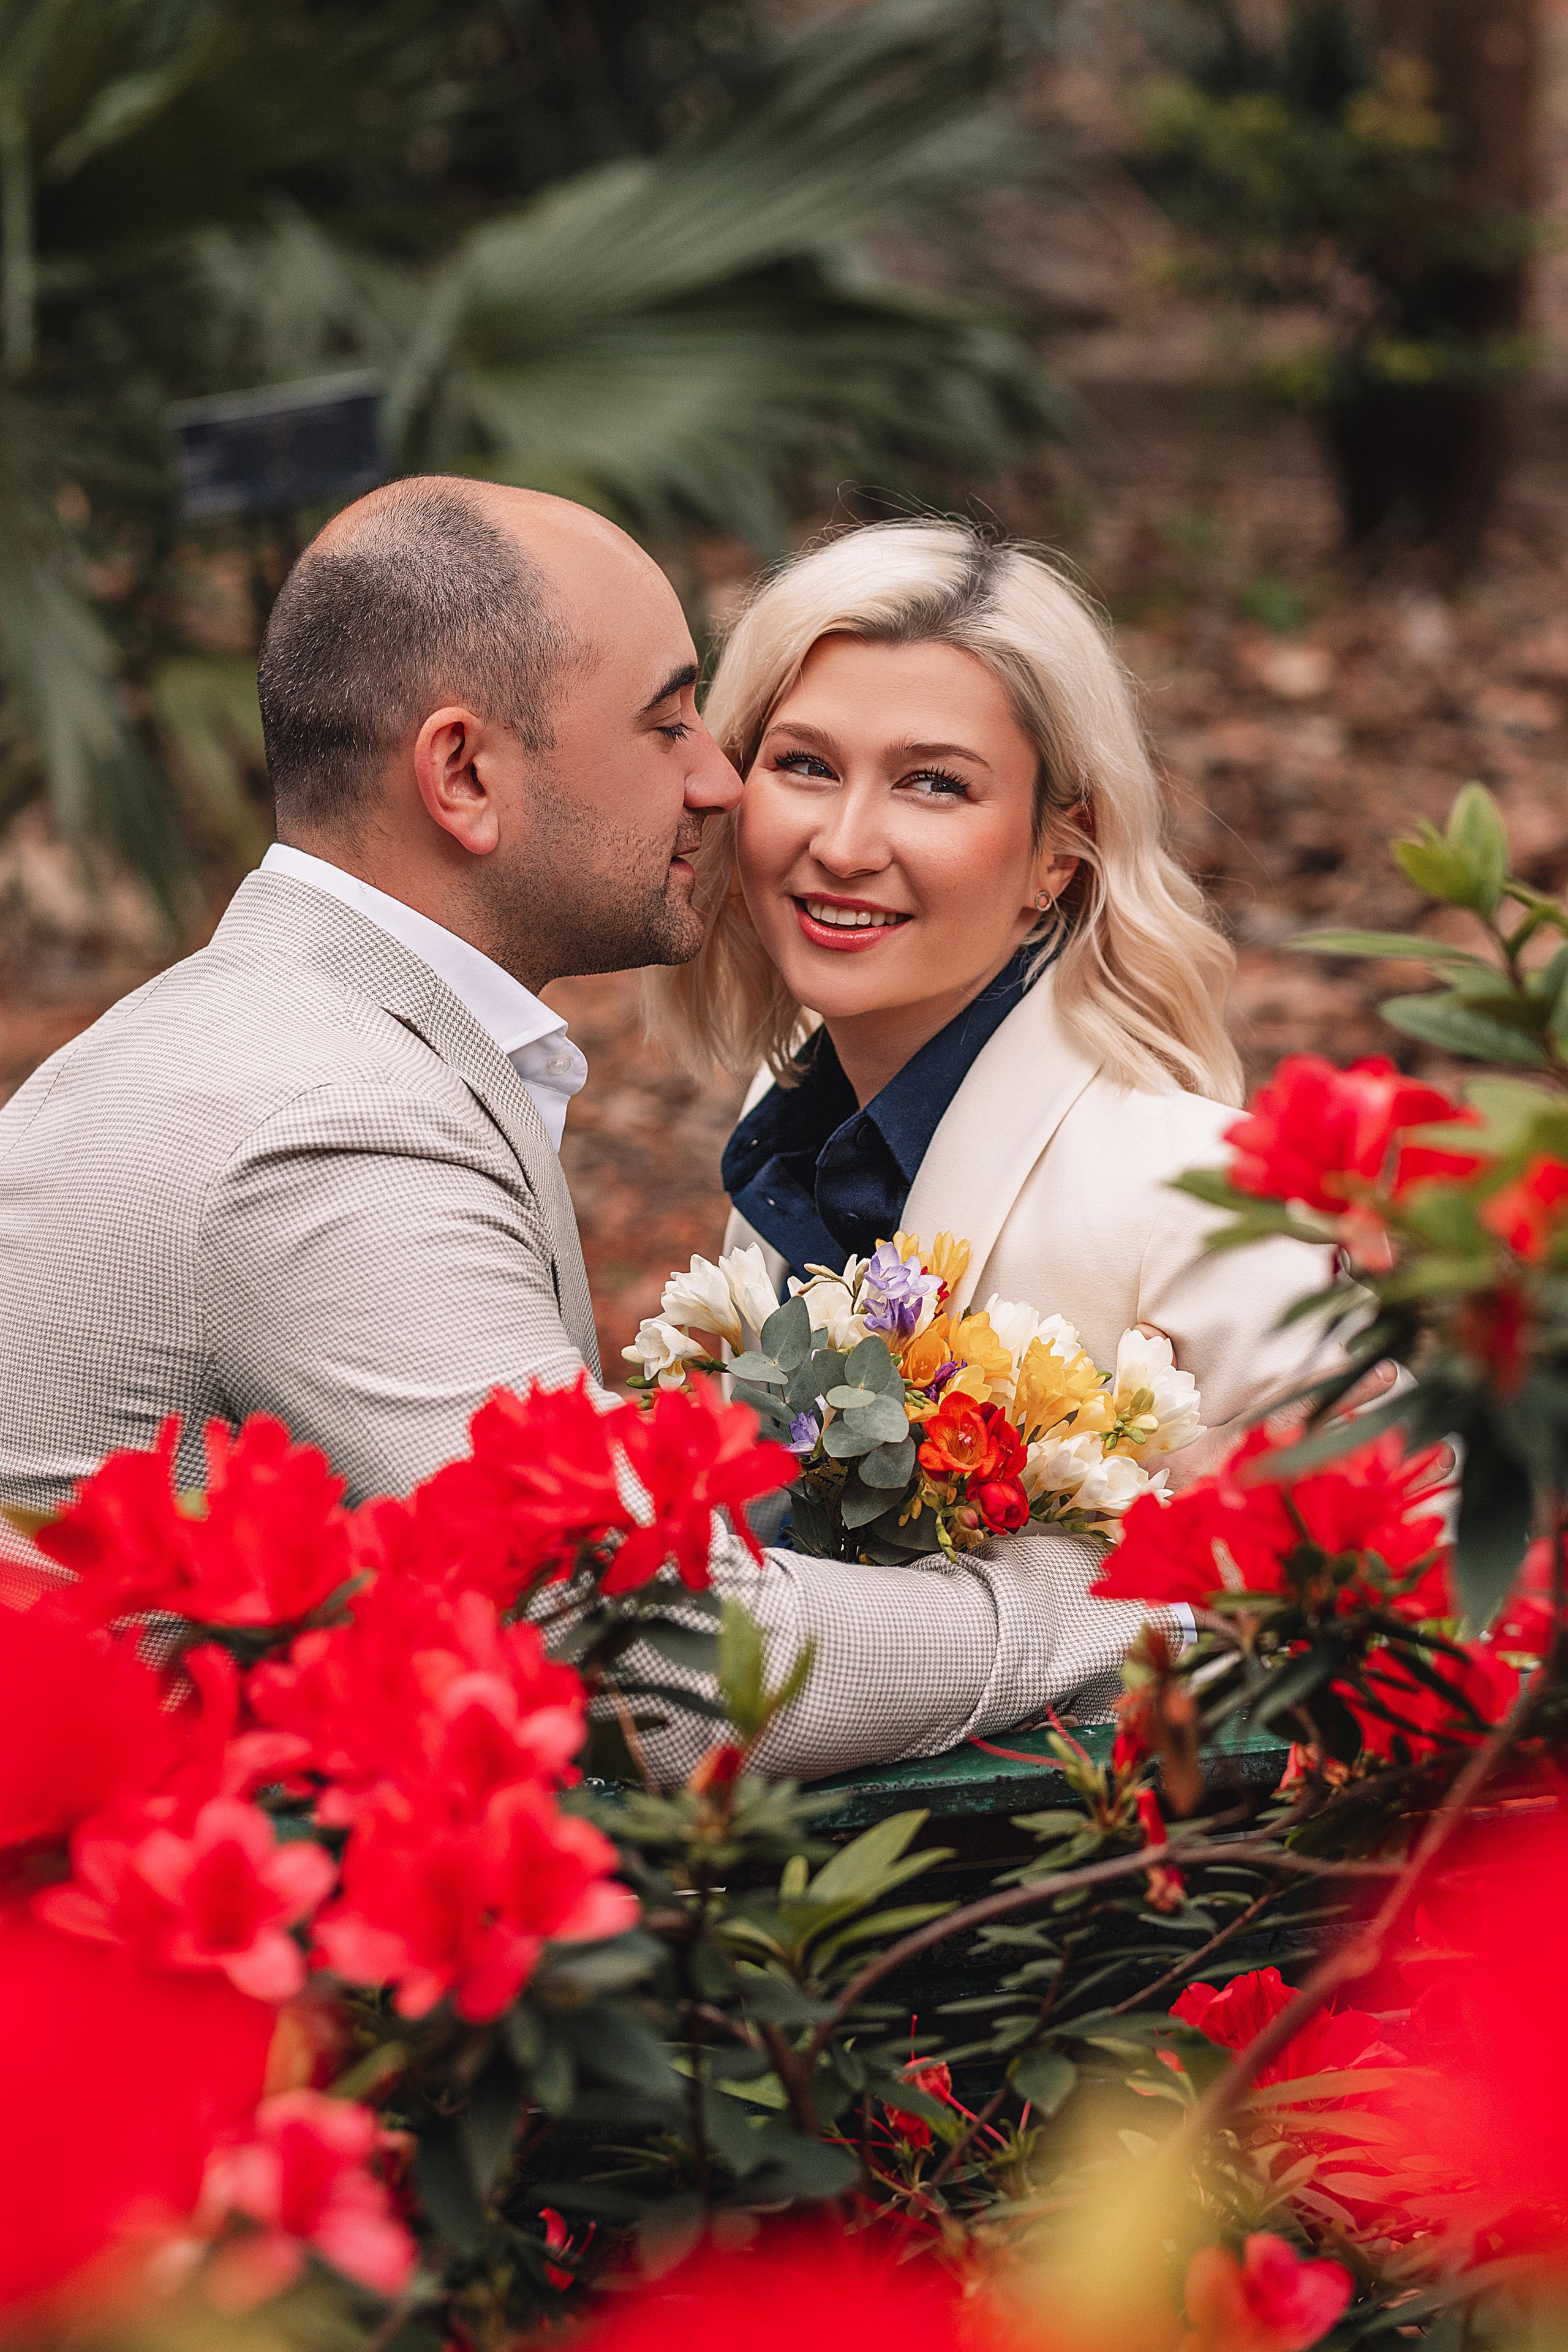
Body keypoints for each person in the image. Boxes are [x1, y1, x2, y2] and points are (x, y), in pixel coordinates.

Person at [0, 478, 1180, 1783]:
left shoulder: (250, 1032)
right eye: (668, 724)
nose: (718, 782)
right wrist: (1135, 1607)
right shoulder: (331, 1122)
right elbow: (671, 1667)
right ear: (463, 775)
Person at [649, 519, 1343, 1463]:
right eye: (806, 765)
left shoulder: (1205, 1202)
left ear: (1058, 852)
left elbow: (1408, 1540)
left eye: (934, 783)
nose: (844, 847)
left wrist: (1173, 1533)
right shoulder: (789, 1111)